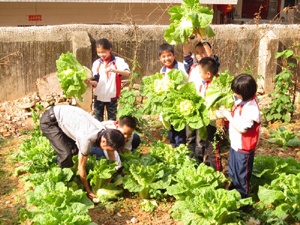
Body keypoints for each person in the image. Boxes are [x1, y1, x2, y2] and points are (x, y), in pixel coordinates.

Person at [40, 105, 125, 200]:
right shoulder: (87, 139)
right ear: (104, 141)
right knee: (66, 154)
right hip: (50, 122)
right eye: (110, 149)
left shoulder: (107, 134)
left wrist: (108, 181)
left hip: (67, 116)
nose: (110, 151)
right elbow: (81, 167)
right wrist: (89, 191)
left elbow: (111, 161)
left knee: (75, 152)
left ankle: (71, 176)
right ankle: (59, 184)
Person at [219, 74, 261, 198]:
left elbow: (242, 128)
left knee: (242, 174)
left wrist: (228, 115)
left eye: (237, 93)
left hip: (244, 148)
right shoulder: (242, 101)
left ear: (246, 93)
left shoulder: (251, 108)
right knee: (233, 170)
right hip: (236, 144)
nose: (235, 95)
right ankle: (233, 191)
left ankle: (243, 199)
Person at [186, 57, 223, 172]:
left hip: (216, 124)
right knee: (208, 147)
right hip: (208, 122)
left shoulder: (216, 86)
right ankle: (209, 170)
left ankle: (217, 174)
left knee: (213, 150)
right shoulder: (205, 84)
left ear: (208, 74)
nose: (199, 75)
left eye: (200, 73)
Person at [85, 38, 130, 122]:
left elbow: (127, 73)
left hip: (112, 97)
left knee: (112, 121)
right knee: (98, 121)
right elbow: (96, 81)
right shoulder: (96, 63)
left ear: (110, 49)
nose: (101, 54)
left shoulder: (118, 62)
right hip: (98, 97)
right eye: (99, 52)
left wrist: (115, 70)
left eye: (103, 52)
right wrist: (89, 82)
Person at [158, 43, 188, 148]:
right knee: (171, 131)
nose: (167, 58)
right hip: (169, 106)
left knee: (179, 131)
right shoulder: (162, 71)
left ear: (174, 55)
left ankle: (180, 152)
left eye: (169, 55)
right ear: (160, 58)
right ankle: (175, 149)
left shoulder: (182, 67)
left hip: (180, 105)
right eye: (164, 56)